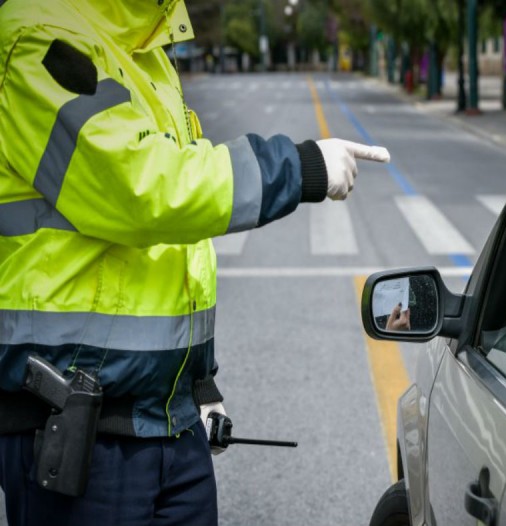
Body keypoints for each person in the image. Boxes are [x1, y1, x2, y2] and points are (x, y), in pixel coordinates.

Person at [0, 1, 389, 525]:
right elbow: (144, 191)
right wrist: (298, 167)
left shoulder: (147, 49)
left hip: (167, 423)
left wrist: (199, 384)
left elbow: (178, 248)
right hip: (74, 431)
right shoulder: (38, 32)